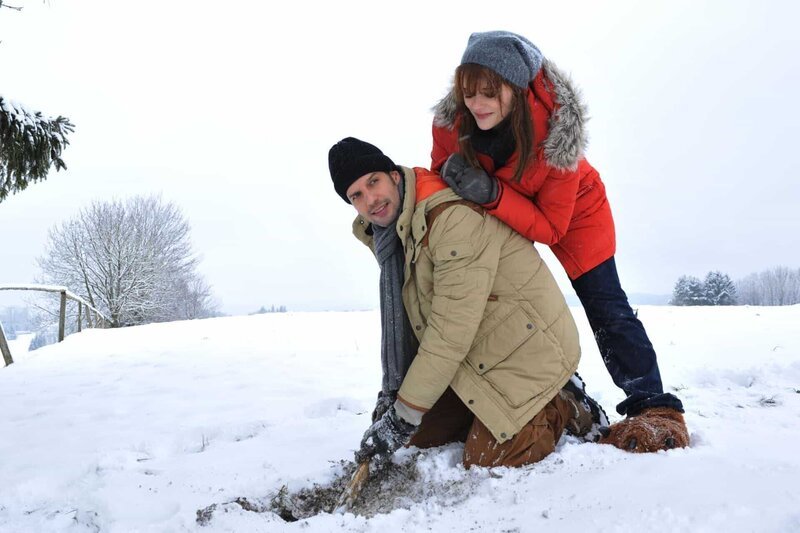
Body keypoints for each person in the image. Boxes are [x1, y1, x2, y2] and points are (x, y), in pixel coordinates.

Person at [430, 31, 688, 452]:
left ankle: (653, 404)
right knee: (509, 302)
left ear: (515, 89)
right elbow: (443, 169)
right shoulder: (450, 122)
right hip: (497, 204)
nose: (477, 104)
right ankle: (553, 382)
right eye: (469, 92)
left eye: (489, 94)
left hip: (573, 212)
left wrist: (492, 193)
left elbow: (551, 226)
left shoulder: (556, 135)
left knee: (607, 306)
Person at [328, 137, 608, 469]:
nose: (370, 200)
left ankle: (564, 403)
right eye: (356, 195)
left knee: (488, 458)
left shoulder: (450, 220)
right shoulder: (395, 234)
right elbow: (417, 320)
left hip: (526, 351)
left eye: (373, 182)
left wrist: (402, 416)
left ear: (395, 176)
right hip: (482, 351)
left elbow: (449, 333)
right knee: (420, 434)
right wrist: (395, 400)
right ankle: (483, 414)